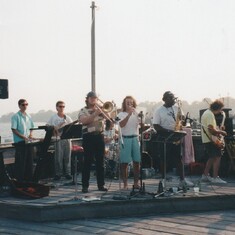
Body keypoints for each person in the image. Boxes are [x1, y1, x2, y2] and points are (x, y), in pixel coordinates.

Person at [152, 91, 194, 187]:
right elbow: (155, 125)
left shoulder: (177, 108)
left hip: (176, 135)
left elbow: (181, 120)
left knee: (179, 158)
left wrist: (183, 120)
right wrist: (167, 131)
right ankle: (163, 179)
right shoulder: (159, 110)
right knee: (164, 159)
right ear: (164, 99)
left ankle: (182, 180)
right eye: (170, 98)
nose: (173, 100)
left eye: (173, 98)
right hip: (164, 136)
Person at [78, 91, 108, 193]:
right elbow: (85, 121)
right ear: (87, 99)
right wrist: (95, 113)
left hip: (99, 136)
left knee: (101, 162)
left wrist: (104, 111)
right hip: (88, 137)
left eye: (95, 98)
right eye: (91, 98)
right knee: (88, 162)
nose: (93, 99)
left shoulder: (100, 110)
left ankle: (101, 185)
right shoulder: (83, 110)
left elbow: (110, 119)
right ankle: (85, 186)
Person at [117, 96, 141, 190]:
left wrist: (141, 117)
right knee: (124, 163)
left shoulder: (137, 113)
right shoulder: (121, 114)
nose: (129, 104)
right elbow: (121, 125)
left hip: (135, 138)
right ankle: (125, 184)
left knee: (137, 162)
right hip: (126, 138)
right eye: (127, 103)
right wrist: (128, 115)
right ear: (124, 104)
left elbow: (141, 125)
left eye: (131, 102)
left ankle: (136, 183)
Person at [201, 99, 227, 184]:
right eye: (220, 109)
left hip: (207, 139)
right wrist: (221, 132)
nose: (221, 111)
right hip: (211, 140)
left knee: (212, 157)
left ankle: (205, 175)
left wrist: (218, 129)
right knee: (217, 157)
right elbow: (211, 130)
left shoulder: (207, 113)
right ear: (218, 108)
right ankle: (215, 177)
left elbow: (212, 128)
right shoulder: (209, 115)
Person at [47, 101, 73, 180]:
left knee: (67, 157)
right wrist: (54, 127)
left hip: (67, 139)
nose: (62, 108)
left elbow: (72, 127)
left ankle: (68, 173)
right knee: (58, 157)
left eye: (63, 106)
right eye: (60, 106)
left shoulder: (67, 117)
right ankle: (58, 174)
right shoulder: (53, 117)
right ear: (57, 108)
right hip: (58, 139)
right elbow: (47, 125)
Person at [11, 99, 35, 181]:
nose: (25, 106)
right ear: (19, 106)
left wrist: (31, 134)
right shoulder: (15, 116)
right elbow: (14, 129)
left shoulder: (29, 116)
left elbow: (32, 127)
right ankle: (20, 181)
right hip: (20, 143)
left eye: (26, 104)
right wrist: (23, 137)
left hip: (28, 142)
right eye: (23, 105)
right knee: (20, 164)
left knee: (29, 163)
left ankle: (29, 180)